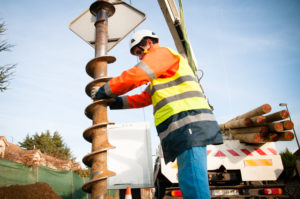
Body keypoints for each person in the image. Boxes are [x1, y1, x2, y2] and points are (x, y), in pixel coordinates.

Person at [91, 29, 223, 198]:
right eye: (136, 54)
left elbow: (136, 75)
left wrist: (106, 90)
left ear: (149, 43)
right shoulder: (161, 73)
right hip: (183, 127)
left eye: (139, 51)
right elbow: (145, 98)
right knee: (187, 180)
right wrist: (117, 102)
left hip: (189, 123)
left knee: (193, 180)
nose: (139, 56)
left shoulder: (161, 53)